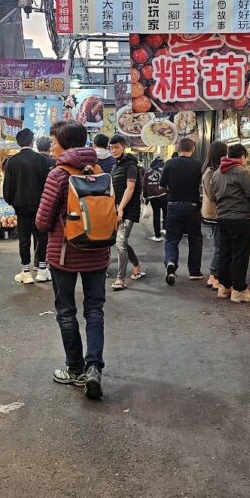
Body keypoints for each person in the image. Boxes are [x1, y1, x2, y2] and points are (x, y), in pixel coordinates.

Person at [36, 121, 110, 400]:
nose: (52, 145)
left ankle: (76, 369)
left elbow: (43, 222)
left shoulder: (59, 174)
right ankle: (94, 368)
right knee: (95, 310)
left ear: (65, 143)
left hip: (65, 255)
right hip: (98, 252)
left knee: (66, 311)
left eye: (54, 141)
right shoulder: (101, 170)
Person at [211, 144, 250, 303]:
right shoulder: (241, 171)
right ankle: (239, 290)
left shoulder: (218, 172)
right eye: (246, 158)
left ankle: (224, 287)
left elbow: (213, 195)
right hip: (239, 219)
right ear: (242, 157)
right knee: (240, 255)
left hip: (223, 218)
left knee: (225, 253)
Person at [3, 128, 52, 284]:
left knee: (24, 239)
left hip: (21, 206)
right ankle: (42, 270)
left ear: (19, 143)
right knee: (42, 236)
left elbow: (7, 186)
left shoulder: (12, 161)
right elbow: (47, 184)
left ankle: (26, 272)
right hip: (39, 205)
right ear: (32, 142)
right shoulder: (41, 160)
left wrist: (11, 200)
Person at [160, 137, 204, 284]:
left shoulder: (169, 163)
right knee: (195, 239)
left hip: (173, 205)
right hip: (192, 206)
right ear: (192, 149)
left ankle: (171, 263)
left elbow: (162, 186)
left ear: (177, 149)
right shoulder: (198, 165)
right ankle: (194, 272)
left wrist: (172, 191)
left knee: (172, 239)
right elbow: (202, 185)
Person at [108, 134, 144, 291]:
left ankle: (121, 279)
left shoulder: (131, 165)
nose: (113, 150)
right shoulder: (116, 165)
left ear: (123, 146)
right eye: (111, 147)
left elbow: (130, 188)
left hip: (128, 209)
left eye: (116, 147)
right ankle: (136, 266)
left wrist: (121, 208)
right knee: (122, 241)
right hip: (117, 208)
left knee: (120, 242)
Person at [201, 141, 229, 291]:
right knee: (220, 246)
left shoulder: (211, 170)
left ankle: (214, 276)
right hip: (215, 213)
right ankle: (214, 276)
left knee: (220, 246)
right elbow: (213, 195)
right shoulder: (210, 172)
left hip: (214, 213)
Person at [142, 156, 168, 242]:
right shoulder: (163, 170)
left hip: (153, 197)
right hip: (163, 194)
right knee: (165, 213)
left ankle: (157, 236)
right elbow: (167, 182)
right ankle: (164, 229)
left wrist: (145, 197)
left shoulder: (148, 171)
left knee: (156, 216)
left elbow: (144, 185)